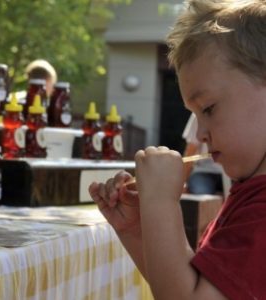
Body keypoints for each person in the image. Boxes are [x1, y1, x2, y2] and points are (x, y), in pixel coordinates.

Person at [89, 0, 266, 299]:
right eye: (194, 114)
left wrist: (160, 201)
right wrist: (137, 231)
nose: (200, 133)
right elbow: (191, 286)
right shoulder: (251, 193)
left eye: (208, 108)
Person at [182, 112, 224, 195]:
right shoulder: (198, 113)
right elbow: (190, 152)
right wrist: (183, 182)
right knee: (202, 199)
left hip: (231, 173)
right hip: (203, 171)